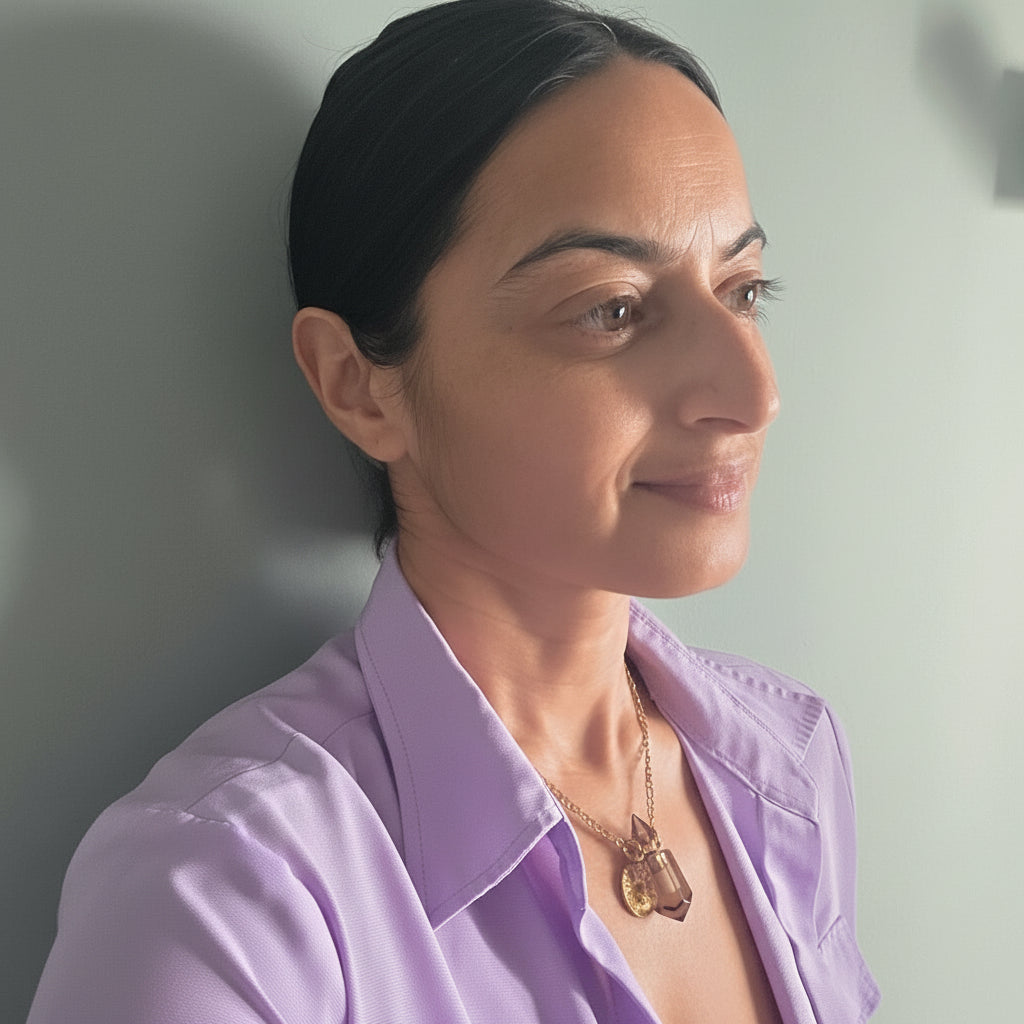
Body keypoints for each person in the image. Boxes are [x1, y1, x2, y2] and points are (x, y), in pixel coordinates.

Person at [28, 1, 880, 1021]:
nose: (752, 392)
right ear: (357, 385)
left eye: (742, 290)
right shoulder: (227, 895)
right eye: (612, 307)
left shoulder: (785, 762)